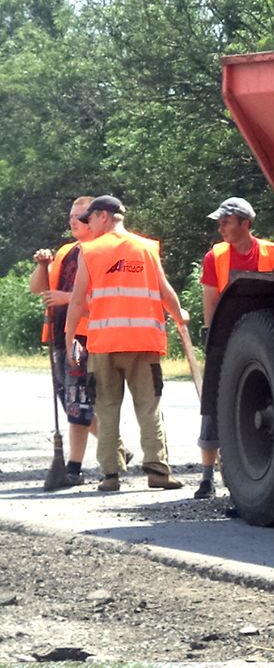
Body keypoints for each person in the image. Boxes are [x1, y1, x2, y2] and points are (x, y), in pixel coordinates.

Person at [63, 195, 190, 492]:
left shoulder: (90, 251)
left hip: (104, 345)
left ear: (104, 216)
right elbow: (164, 289)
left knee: (107, 408)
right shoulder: (146, 248)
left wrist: (70, 340)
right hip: (143, 343)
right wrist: (179, 315)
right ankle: (158, 470)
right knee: (149, 407)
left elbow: (78, 300)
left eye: (90, 219)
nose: (88, 225)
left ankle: (110, 476)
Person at [28, 195, 134, 485]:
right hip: (62, 335)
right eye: (71, 216)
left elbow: (110, 296)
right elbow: (38, 288)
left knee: (79, 403)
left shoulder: (103, 253)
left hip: (88, 335)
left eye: (80, 216)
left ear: (94, 218)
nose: (74, 221)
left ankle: (73, 468)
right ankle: (117, 446)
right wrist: (42, 266)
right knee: (72, 401)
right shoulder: (66, 251)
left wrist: (67, 298)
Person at [195, 197, 274, 499]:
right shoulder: (215, 256)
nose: (220, 228)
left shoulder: (272, 253)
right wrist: (212, 340)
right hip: (226, 341)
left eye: (226, 222)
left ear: (245, 224)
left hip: (264, 345)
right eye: (220, 223)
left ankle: (246, 475)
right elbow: (210, 301)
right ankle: (207, 478)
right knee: (213, 408)